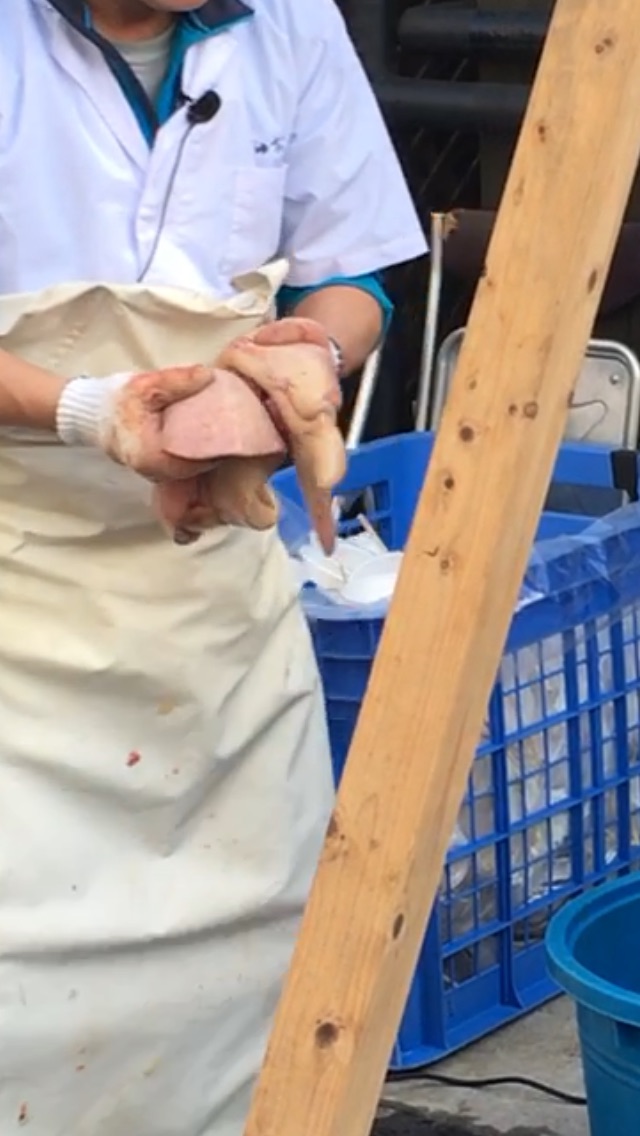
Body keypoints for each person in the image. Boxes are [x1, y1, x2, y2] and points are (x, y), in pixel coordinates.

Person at [0, 2, 426, 1133]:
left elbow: (353, 271)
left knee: (254, 978)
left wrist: (307, 355)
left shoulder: (289, 21)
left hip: (215, 599)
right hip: (18, 581)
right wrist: (88, 410)